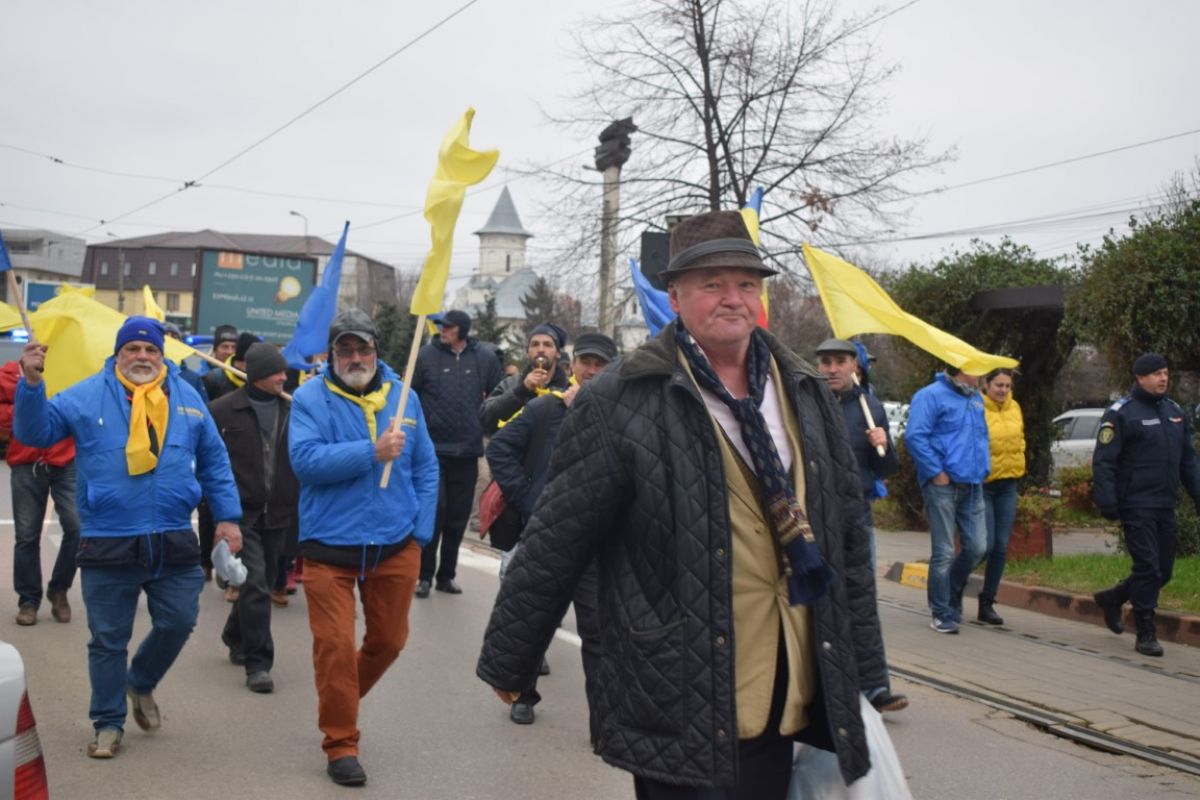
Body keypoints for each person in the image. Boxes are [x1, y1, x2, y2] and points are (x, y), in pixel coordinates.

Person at [478, 211, 886, 798]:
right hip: (677, 675)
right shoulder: (621, 397)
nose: (733, 298)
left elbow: (845, 533)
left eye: (746, 284)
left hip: (787, 671)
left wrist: (866, 666)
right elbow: (558, 535)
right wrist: (511, 657)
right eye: (712, 284)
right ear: (675, 297)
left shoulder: (803, 390)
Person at [14, 316, 242, 759]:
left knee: (179, 620)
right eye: (132, 349)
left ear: (161, 354)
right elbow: (34, 432)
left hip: (172, 537)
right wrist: (31, 384)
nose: (142, 356)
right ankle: (107, 723)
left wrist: (229, 518)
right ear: (118, 354)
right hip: (108, 538)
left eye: (150, 349)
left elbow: (215, 461)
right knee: (108, 640)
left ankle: (140, 682)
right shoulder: (86, 395)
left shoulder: (187, 398)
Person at [288, 308, 438, 786]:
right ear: (332, 355)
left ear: (376, 350)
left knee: (389, 642)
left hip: (394, 544)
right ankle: (341, 743)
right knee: (334, 647)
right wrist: (371, 452)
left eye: (363, 348)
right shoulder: (309, 398)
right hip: (328, 546)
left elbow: (426, 466)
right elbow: (305, 462)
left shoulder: (404, 396)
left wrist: (420, 532)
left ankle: (339, 699)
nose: (355, 358)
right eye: (345, 350)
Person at [484, 331, 617, 728]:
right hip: (546, 537)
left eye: (600, 365)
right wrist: (528, 497)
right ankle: (523, 696)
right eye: (586, 362)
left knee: (598, 632)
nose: (592, 370)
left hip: (595, 542)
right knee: (533, 623)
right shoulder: (547, 408)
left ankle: (603, 716)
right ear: (572, 365)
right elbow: (499, 447)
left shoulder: (621, 416)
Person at [813, 338, 906, 713]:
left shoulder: (871, 407)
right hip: (815, 514)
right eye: (825, 362)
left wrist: (884, 445)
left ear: (855, 366)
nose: (832, 369)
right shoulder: (806, 403)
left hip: (857, 515)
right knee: (817, 599)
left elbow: (886, 467)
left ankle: (875, 687)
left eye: (840, 361)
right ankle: (821, 687)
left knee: (862, 600)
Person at [1092, 353, 1200, 657]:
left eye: (1165, 373)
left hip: (1165, 503)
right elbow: (1104, 461)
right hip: (1136, 503)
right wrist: (1107, 500)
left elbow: (1188, 461)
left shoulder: (1174, 412)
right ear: (1140, 378)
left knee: (1163, 571)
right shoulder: (1121, 413)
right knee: (1148, 567)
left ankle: (1114, 597)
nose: (1163, 378)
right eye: (1156, 374)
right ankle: (1145, 631)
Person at [209, 343, 298, 694]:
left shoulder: (294, 409)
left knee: (262, 580)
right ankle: (258, 664)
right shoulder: (222, 410)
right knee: (257, 582)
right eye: (277, 372)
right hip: (239, 513)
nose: (284, 377)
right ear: (258, 374)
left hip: (279, 511)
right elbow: (208, 461)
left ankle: (234, 634)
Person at [410, 309, 503, 598]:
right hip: (433, 451)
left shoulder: (484, 358)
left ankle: (446, 576)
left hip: (468, 451)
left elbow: (499, 397)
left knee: (457, 518)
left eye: (449, 327)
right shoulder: (426, 356)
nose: (443, 330)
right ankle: (424, 576)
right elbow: (410, 395)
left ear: (462, 329)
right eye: (442, 326)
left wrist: (490, 428)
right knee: (435, 512)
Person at [904, 365, 990, 635]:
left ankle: (950, 591)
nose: (982, 375)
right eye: (977, 369)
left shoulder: (975, 397)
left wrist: (983, 468)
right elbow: (915, 436)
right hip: (943, 486)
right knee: (944, 552)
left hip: (972, 484)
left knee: (977, 547)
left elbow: (980, 436)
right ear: (962, 369)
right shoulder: (930, 395)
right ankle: (941, 612)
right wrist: (936, 472)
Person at [0, 360, 80, 626]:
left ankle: (59, 588)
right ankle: (28, 600)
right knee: (26, 535)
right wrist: (29, 408)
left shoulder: (73, 369)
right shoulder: (10, 373)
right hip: (26, 462)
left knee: (78, 527)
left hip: (66, 461)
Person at [980, 368, 1025, 626]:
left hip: (1008, 483)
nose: (1003, 390)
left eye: (1008, 386)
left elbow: (1020, 440)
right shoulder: (976, 407)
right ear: (986, 384)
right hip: (984, 484)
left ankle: (987, 601)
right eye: (998, 385)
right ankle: (954, 587)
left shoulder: (1015, 407)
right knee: (983, 545)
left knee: (1000, 546)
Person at [479, 322, 570, 434]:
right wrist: (521, 390)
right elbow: (486, 417)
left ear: (558, 353)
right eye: (535, 344)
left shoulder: (569, 388)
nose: (540, 349)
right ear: (528, 352)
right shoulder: (511, 383)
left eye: (547, 345)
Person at [203, 331, 260, 402]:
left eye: (233, 347)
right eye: (225, 347)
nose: (229, 352)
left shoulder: (260, 381)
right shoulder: (213, 379)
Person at [162, 322, 208, 402]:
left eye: (174, 337)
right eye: (165, 337)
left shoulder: (193, 378)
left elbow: (203, 406)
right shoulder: (148, 375)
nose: (170, 342)